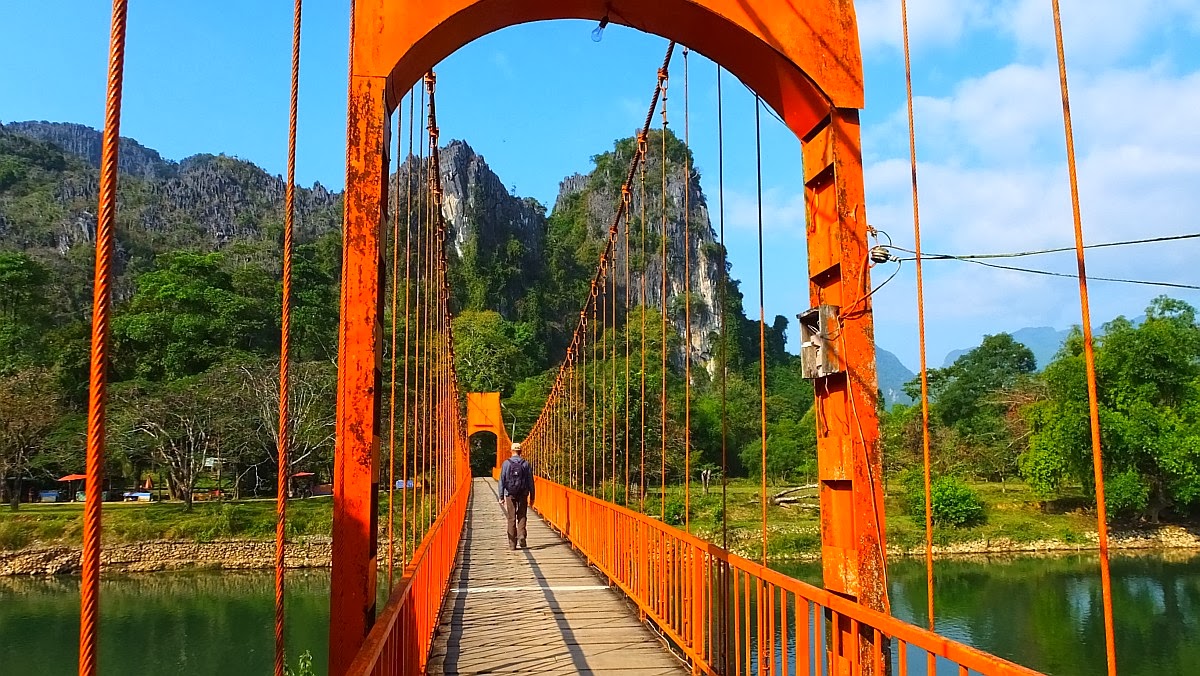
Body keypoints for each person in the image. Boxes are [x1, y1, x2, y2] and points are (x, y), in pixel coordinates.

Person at [498, 442, 534, 550]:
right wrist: (532, 496)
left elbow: (501, 480)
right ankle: (521, 535)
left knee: (511, 517)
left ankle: (512, 544)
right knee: (522, 515)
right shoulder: (525, 463)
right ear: (521, 451)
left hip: (510, 493)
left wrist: (501, 496)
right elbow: (530, 481)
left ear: (511, 451)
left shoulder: (506, 464)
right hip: (523, 493)